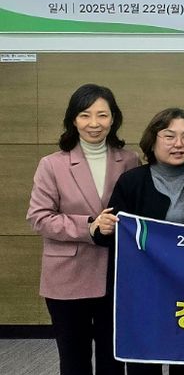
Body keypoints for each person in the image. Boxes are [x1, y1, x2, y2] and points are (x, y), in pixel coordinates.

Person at [26, 83, 139, 375]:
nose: (94, 123)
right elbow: (39, 217)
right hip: (67, 277)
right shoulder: (52, 164)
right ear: (73, 120)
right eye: (85, 115)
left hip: (116, 276)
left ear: (113, 119)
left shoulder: (129, 160)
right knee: (73, 359)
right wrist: (89, 226)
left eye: (102, 115)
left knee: (113, 360)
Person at [95, 107, 184, 375]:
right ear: (152, 140)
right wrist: (103, 229)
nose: (179, 144)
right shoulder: (132, 182)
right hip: (145, 293)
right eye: (169, 136)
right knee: (144, 363)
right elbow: (112, 236)